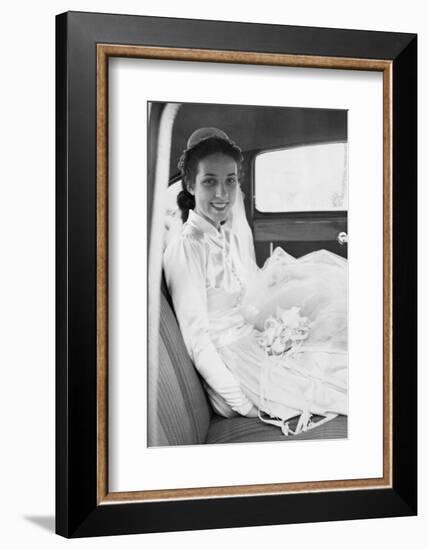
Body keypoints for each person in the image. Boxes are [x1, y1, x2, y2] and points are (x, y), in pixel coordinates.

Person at [163, 127, 347, 435]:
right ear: (191, 185)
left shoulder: (221, 234)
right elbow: (197, 341)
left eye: (230, 181)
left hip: (252, 347)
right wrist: (242, 403)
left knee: (345, 355)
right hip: (234, 367)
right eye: (210, 181)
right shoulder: (186, 247)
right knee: (345, 382)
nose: (222, 194)